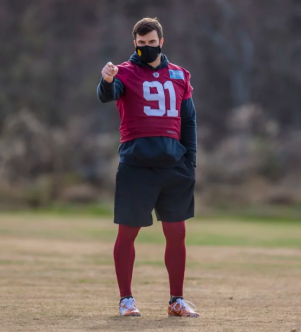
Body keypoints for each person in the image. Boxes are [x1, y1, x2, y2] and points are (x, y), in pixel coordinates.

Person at [97, 17, 199, 318]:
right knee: (127, 233)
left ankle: (176, 300)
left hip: (173, 165)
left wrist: (190, 160)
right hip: (136, 166)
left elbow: (189, 120)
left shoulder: (180, 74)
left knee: (177, 232)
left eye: (151, 43)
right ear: (135, 44)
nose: (146, 49)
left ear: (161, 42)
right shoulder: (123, 72)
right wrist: (106, 78)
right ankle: (126, 299)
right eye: (141, 45)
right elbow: (107, 94)